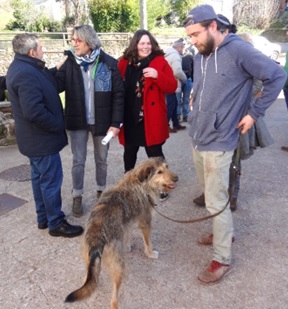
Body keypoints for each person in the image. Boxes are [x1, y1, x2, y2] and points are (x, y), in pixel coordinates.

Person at [183, 5, 286, 284]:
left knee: (216, 200)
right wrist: (195, 99)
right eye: (189, 35)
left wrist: (254, 113)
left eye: (195, 34)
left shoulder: (239, 50)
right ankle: (222, 232)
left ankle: (222, 258)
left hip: (221, 138)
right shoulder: (202, 53)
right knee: (208, 194)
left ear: (213, 27)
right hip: (199, 134)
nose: (192, 40)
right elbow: (205, 85)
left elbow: (277, 76)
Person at [6, 33, 83, 238]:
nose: (44, 50)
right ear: (32, 52)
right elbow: (34, 111)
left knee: (39, 179)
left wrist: (60, 66)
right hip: (41, 141)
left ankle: (44, 217)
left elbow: (43, 80)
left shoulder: (25, 67)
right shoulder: (26, 73)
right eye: (41, 47)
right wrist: (58, 124)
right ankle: (56, 223)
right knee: (50, 181)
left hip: (34, 141)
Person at [193, 31, 274, 212]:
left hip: (240, 116)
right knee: (211, 158)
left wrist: (236, 97)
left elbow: (259, 85)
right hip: (220, 117)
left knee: (233, 161)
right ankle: (209, 193)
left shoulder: (247, 57)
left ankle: (233, 195)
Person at [55, 25, 124, 217]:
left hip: (103, 123)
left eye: (78, 40)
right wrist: (54, 69)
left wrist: (116, 122)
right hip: (77, 122)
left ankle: (101, 192)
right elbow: (53, 87)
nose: (74, 43)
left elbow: (119, 94)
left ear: (89, 42)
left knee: (101, 159)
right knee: (78, 160)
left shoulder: (109, 63)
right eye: (72, 40)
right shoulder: (69, 63)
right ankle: (77, 195)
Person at [117, 29, 177, 201]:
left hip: (150, 118)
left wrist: (158, 75)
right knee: (129, 152)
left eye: (148, 43)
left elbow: (172, 86)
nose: (145, 46)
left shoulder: (159, 62)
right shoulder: (124, 63)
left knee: (155, 154)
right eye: (142, 43)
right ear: (135, 45)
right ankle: (128, 185)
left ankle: (164, 185)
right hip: (129, 117)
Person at [164, 39, 187, 132]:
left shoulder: (167, 54)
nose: (183, 50)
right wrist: (184, 78)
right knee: (171, 105)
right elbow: (177, 71)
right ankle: (165, 126)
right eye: (182, 48)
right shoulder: (175, 56)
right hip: (172, 83)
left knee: (173, 104)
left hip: (166, 82)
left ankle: (176, 123)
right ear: (179, 47)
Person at [177, 47, 194, 122]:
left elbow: (193, 69)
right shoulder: (176, 56)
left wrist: (193, 80)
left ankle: (185, 115)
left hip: (187, 79)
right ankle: (178, 114)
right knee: (178, 99)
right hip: (179, 79)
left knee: (186, 99)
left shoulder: (189, 56)